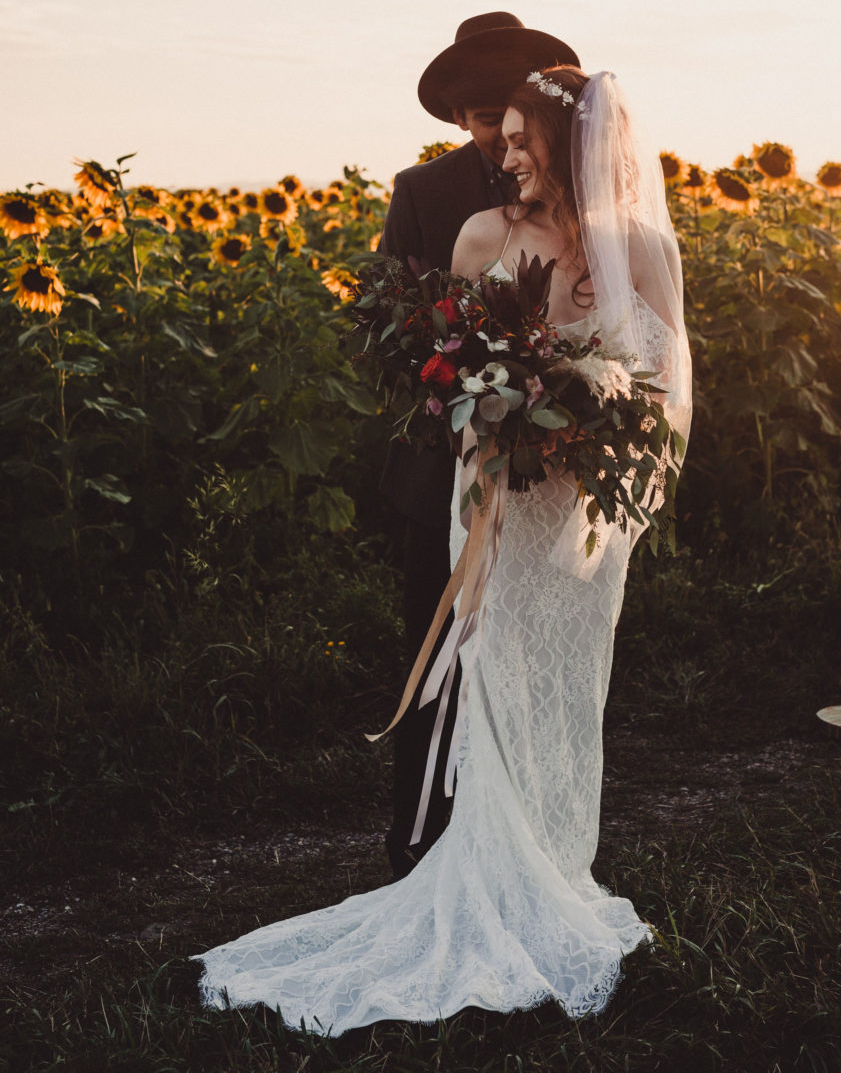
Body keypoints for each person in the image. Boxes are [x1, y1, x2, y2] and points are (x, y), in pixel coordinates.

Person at [193, 60, 692, 1034]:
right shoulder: (481, 236)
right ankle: (489, 876)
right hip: (501, 497)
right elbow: (452, 362)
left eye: (519, 140)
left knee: (567, 682)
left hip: (581, 509)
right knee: (496, 673)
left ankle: (556, 866)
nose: (502, 157)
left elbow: (666, 371)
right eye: (498, 138)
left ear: (568, 145)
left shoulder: (637, 244)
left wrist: (599, 410)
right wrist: (508, 422)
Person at [378, 12, 581, 878]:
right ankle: (418, 838)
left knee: (532, 657)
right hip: (446, 468)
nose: (489, 132)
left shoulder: (579, 189)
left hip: (556, 468)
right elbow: (393, 331)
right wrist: (462, 392)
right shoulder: (424, 193)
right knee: (438, 653)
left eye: (498, 109)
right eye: (469, 115)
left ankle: (523, 836)